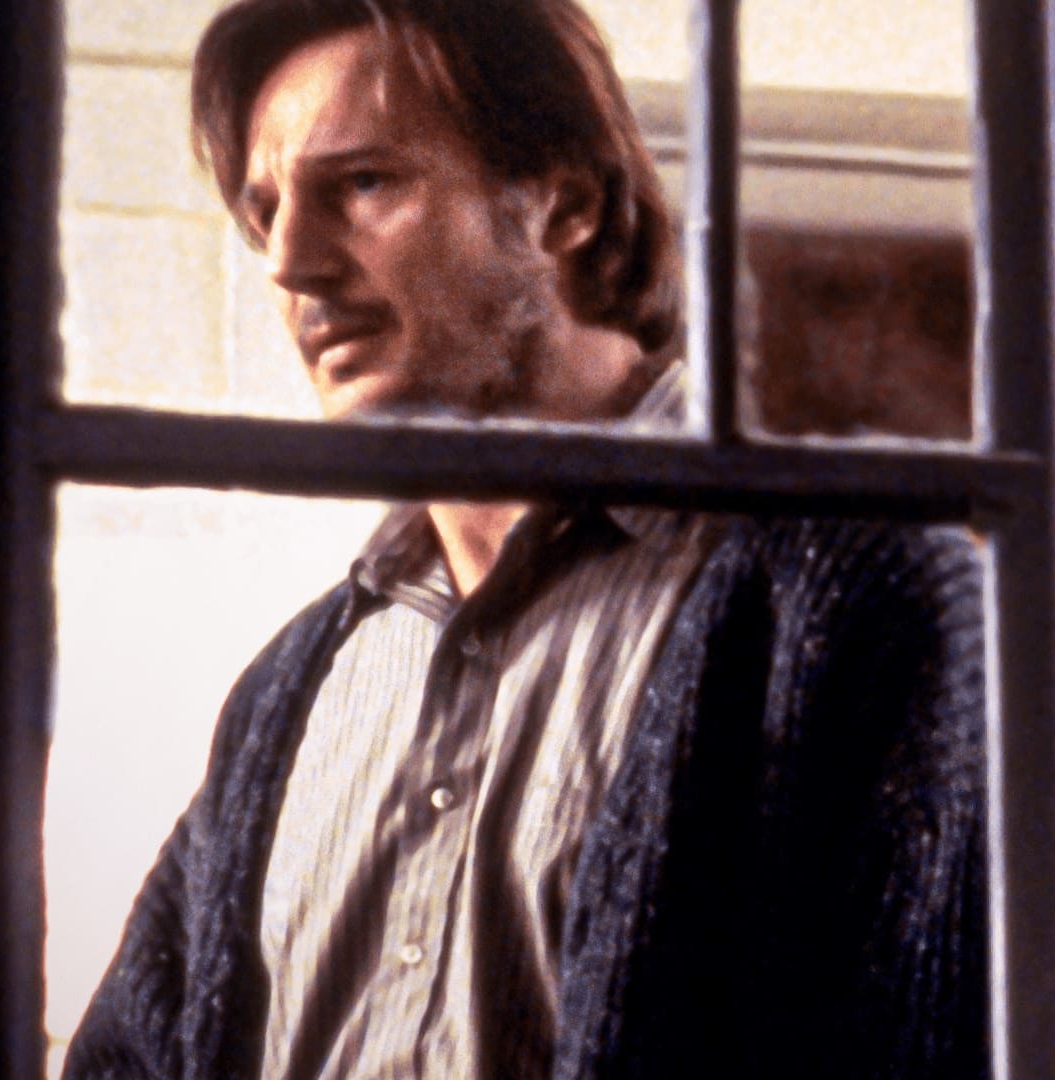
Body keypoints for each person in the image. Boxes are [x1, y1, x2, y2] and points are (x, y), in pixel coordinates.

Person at [64, 1, 987, 1076]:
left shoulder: (855, 594)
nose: (291, 263)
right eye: (266, 213)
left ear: (568, 205)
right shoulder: (289, 688)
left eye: (362, 185)